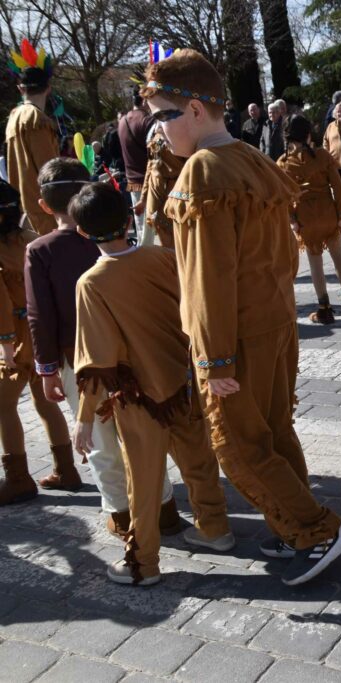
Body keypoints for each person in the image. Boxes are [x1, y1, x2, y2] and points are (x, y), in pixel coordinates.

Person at [143, 48, 341, 586]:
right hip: (275, 321)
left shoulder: (202, 175)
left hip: (234, 333)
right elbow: (282, 254)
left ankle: (315, 530)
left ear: (194, 110)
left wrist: (213, 358)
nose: (160, 129)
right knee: (274, 431)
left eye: (165, 115)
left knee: (237, 446)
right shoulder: (251, 159)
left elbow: (206, 278)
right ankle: (294, 526)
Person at [69, 181, 233, 586]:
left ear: (83, 233)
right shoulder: (163, 258)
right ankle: (215, 528)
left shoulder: (91, 283)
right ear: (129, 218)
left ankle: (143, 563)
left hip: (137, 395)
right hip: (183, 381)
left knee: (142, 480)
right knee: (198, 461)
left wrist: (85, 418)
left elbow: (97, 362)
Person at [25, 158, 179, 531]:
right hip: (132, 353)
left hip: (79, 359)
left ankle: (121, 515)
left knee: (98, 441)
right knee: (142, 436)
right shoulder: (120, 241)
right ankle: (163, 510)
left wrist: (46, 370)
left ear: (45, 206)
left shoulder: (40, 250)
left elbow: (38, 316)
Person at [0, 175, 77, 505]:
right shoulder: (32, 239)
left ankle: (18, 479)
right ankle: (67, 469)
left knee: (3, 407)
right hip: (40, 334)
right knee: (45, 403)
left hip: (15, 339)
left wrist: (4, 346)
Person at [277, 114, 341, 324]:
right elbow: (338, 187)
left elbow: (283, 197)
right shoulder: (322, 156)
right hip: (327, 212)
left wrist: (292, 219)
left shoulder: (283, 162)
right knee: (338, 255)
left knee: (315, 263)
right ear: (307, 134)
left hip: (305, 217)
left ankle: (324, 308)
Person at [5, 40, 59, 235]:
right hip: (44, 208)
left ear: (21, 89)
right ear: (48, 88)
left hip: (24, 206)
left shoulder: (14, 116)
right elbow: (50, 169)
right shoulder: (38, 119)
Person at [118, 88, 155, 244]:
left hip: (132, 180)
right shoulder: (147, 120)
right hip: (150, 179)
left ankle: (142, 260)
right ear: (145, 100)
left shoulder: (122, 121)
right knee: (157, 226)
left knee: (141, 229)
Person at [138, 126, 184, 249]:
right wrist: (143, 199)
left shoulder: (183, 131)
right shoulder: (154, 131)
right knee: (164, 235)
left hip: (178, 191)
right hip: (158, 194)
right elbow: (150, 167)